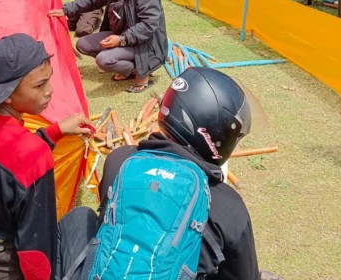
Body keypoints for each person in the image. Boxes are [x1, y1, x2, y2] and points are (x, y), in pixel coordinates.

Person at [55, 67, 260, 280]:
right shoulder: (228, 203)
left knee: (79, 217)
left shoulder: (120, 159)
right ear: (215, 135)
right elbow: (245, 275)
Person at [0, 33, 94, 279]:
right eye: (39, 85)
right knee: (80, 220)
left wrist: (54, 132)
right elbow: (35, 250)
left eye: (48, 81)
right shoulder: (34, 157)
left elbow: (1, 164)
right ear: (7, 93)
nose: (50, 92)